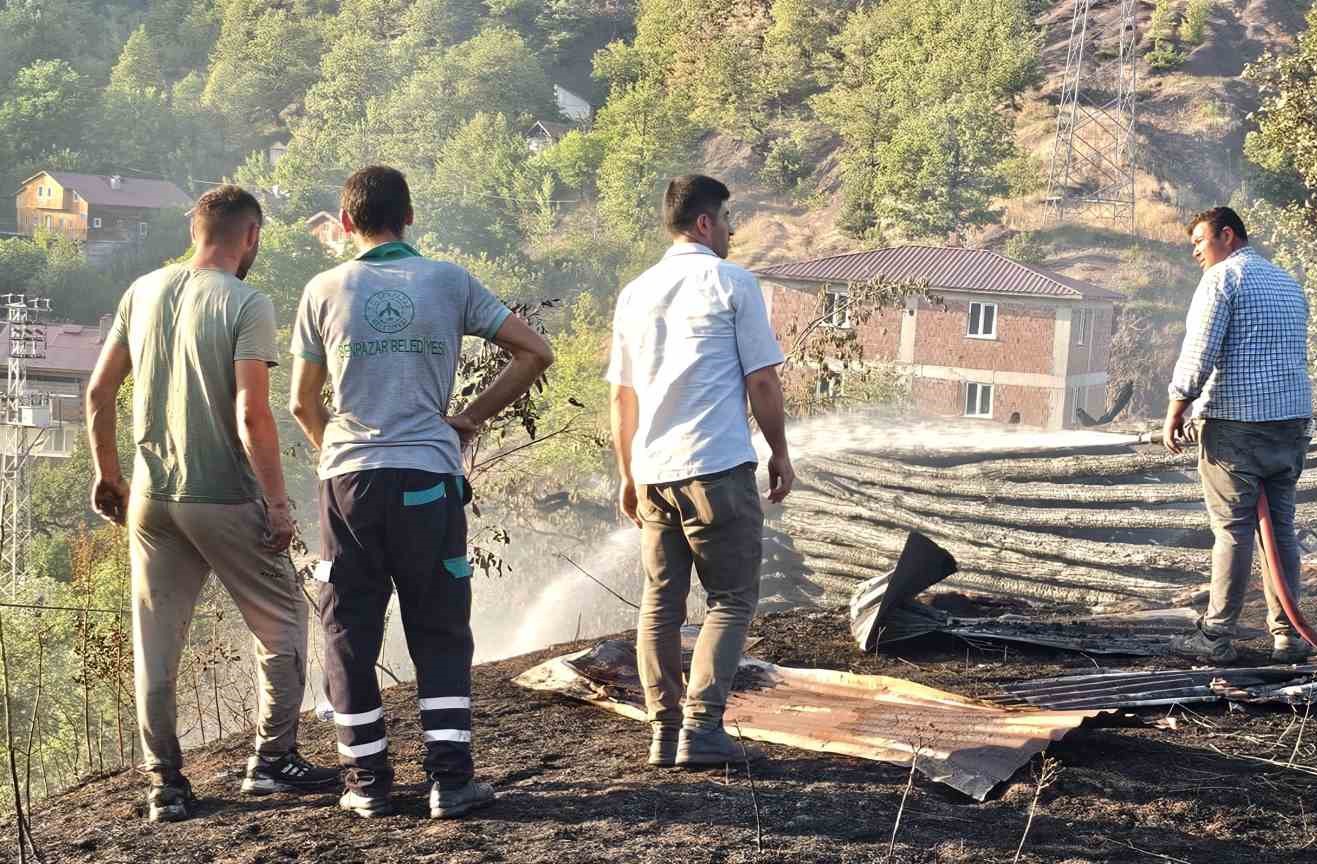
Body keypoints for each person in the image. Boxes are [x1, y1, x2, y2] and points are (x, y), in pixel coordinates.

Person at [289, 166, 554, 819]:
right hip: (428, 481)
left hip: (348, 481)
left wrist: (343, 458)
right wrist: (467, 418)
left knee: (349, 627)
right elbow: (534, 352)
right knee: (438, 626)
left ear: (346, 223)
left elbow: (301, 401)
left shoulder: (323, 288)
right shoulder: (449, 281)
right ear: (409, 219)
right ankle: (450, 781)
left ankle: (367, 784)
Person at [86, 185, 340, 823]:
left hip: (149, 497)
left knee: (156, 640)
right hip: (223, 494)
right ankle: (273, 761)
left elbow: (97, 392)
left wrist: (109, 477)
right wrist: (279, 506)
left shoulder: (141, 291)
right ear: (250, 235)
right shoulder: (246, 302)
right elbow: (253, 412)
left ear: (194, 229)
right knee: (281, 623)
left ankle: (165, 785)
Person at [607, 174, 793, 769]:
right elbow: (761, 379)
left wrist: (628, 473)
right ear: (706, 223)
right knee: (732, 598)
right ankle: (702, 728)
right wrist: (780, 452)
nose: (733, 232)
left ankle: (662, 732)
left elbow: (621, 398)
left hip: (654, 471)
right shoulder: (730, 282)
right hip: (716, 468)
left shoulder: (635, 292)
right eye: (729, 220)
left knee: (660, 602)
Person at [1163, 206, 1315, 666]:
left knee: (1232, 531)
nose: (1196, 252)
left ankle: (1216, 636)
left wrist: (1176, 407)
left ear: (1227, 235)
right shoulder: (1287, 281)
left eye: (1200, 241)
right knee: (1280, 531)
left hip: (1236, 427)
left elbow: (1199, 352)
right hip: (1289, 423)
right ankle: (1288, 636)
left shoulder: (1222, 280)